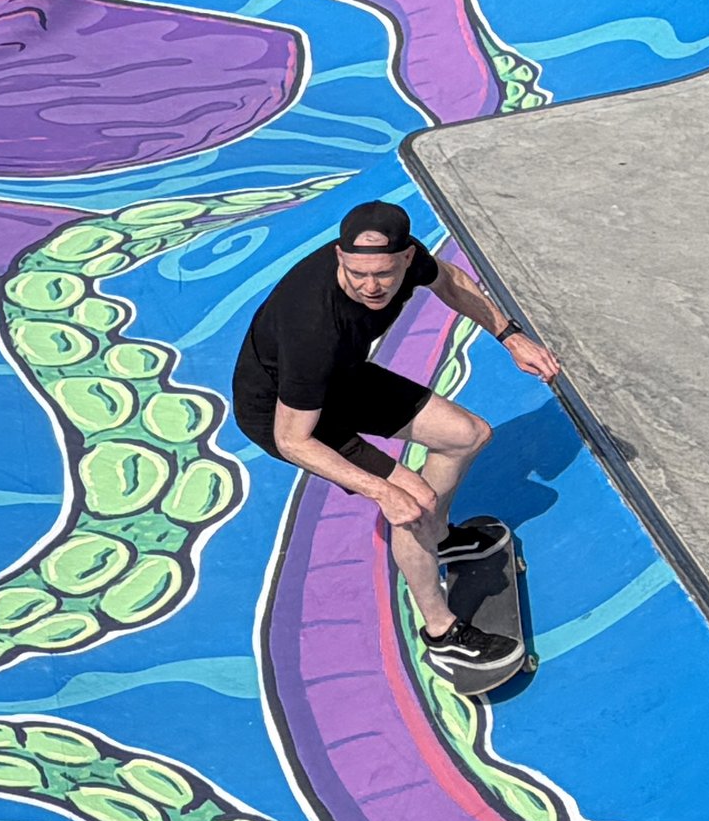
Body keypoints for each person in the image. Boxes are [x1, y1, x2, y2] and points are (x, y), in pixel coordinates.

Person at [229, 200, 561, 670]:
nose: (370, 287)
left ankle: (437, 538)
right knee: (414, 502)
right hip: (287, 414)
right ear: (338, 257)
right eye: (356, 274)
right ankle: (442, 632)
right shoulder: (312, 326)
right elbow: (292, 440)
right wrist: (383, 491)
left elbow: (449, 280)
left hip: (341, 378)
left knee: (468, 434)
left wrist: (509, 335)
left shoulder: (407, 259)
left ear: (406, 257)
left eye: (383, 274)